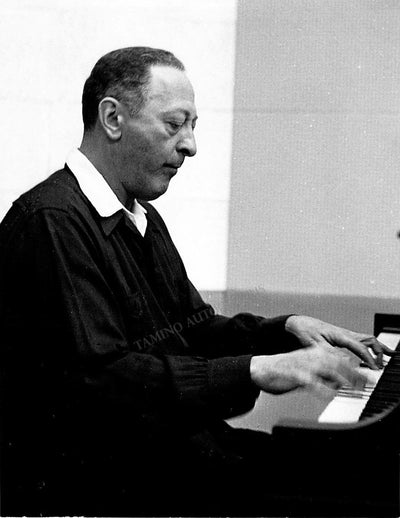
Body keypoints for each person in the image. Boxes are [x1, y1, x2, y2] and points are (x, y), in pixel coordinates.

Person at [0, 47, 392, 517]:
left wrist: (285, 331)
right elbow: (102, 382)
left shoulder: (142, 219)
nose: (190, 145)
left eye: (193, 126)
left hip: (167, 459)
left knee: (344, 477)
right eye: (174, 124)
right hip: (106, 486)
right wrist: (256, 370)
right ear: (112, 119)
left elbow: (193, 330)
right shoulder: (51, 222)